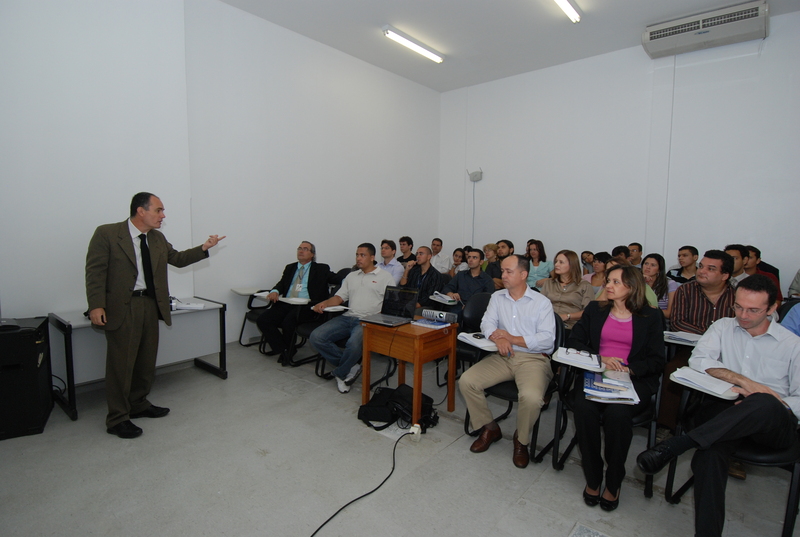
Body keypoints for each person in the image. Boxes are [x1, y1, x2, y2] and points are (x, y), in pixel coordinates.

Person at [637, 275, 800, 537]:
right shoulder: (723, 327)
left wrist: (761, 399)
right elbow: (698, 360)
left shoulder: (792, 345)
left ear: (772, 308)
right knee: (709, 455)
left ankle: (680, 444)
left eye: (753, 310)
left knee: (763, 401)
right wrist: (742, 380)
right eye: (738, 307)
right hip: (726, 417)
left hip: (771, 426)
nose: (743, 315)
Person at [85, 192, 225, 439]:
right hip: (122, 307)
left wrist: (204, 248)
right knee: (121, 365)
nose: (163, 215)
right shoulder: (107, 233)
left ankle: (138, 404)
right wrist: (96, 306)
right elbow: (95, 272)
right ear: (141, 211)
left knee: (145, 361)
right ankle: (117, 418)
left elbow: (178, 259)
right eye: (158, 210)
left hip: (150, 305)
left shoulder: (157, 238)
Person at [569, 265, 665, 511]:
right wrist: (599, 359)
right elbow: (575, 341)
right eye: (608, 281)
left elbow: (657, 360)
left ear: (631, 287)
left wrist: (629, 369)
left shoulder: (651, 316)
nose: (608, 286)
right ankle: (593, 477)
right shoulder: (595, 309)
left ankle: (613, 481)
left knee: (618, 414)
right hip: (595, 372)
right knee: (583, 409)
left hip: (632, 379)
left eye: (615, 282)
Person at [458, 254, 555, 469]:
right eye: (502, 271)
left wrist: (511, 338)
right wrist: (498, 338)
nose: (503, 275)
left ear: (523, 274)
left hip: (533, 359)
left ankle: (521, 440)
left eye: (509, 271)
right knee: (467, 381)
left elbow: (547, 340)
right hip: (503, 356)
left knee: (531, 397)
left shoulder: (541, 303)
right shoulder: (498, 297)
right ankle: (490, 428)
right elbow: (487, 324)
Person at [659, 250, 736, 431]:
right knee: (673, 370)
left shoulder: (736, 295)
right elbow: (678, 323)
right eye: (701, 266)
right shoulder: (686, 290)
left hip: (727, 353)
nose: (702, 271)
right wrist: (712, 335)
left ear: (725, 275)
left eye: (711, 269)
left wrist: (718, 339)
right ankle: (666, 427)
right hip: (692, 349)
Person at [309, 243, 395, 394]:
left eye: (362, 255)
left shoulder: (385, 277)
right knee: (316, 337)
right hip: (348, 316)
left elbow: (391, 305)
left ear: (372, 257)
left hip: (368, 321)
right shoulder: (351, 276)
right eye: (357, 255)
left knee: (353, 344)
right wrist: (325, 303)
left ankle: (341, 373)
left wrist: (378, 318)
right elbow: (339, 297)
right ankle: (351, 366)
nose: (358, 258)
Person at [255, 241, 332, 362]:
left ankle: (287, 351)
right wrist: (275, 291)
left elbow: (338, 279)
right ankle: (284, 349)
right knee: (263, 320)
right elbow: (282, 283)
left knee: (288, 322)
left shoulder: (321, 269)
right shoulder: (290, 267)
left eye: (305, 249)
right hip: (287, 302)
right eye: (299, 248)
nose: (301, 251)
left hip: (306, 306)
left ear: (312, 254)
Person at [540, 250, 594, 331]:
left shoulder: (584, 286)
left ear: (572, 265)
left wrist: (567, 316)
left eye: (561, 262)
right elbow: (539, 305)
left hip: (571, 327)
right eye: (556, 261)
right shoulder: (549, 283)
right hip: (548, 324)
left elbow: (588, 312)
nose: (556, 264)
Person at [442, 249, 494, 315]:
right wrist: (451, 294)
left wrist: (470, 307)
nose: (470, 260)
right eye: (469, 257)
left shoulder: (487, 279)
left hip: (476, 311)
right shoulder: (460, 275)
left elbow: (487, 299)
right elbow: (447, 287)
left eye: (474, 257)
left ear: (481, 262)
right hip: (457, 308)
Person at [642, 253, 679, 320]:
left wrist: (650, 310)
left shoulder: (670, 284)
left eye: (653, 265)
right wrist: (640, 281)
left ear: (659, 270)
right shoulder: (637, 282)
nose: (648, 267)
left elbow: (669, 313)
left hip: (661, 321)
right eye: (646, 264)